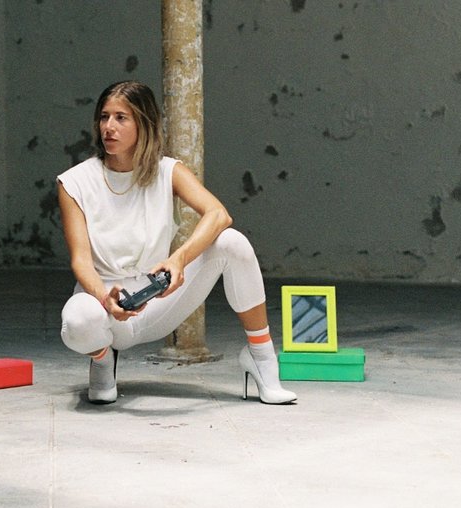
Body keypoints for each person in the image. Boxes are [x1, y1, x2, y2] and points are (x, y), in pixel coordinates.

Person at [57, 80, 297, 405]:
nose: (108, 127)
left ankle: (262, 358)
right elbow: (81, 261)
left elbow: (218, 214)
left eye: (121, 118)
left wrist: (179, 259)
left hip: (156, 299)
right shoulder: (74, 181)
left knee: (232, 243)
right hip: (103, 303)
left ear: (144, 123)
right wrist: (103, 296)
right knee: (78, 322)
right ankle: (102, 360)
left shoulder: (167, 171)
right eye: (104, 117)